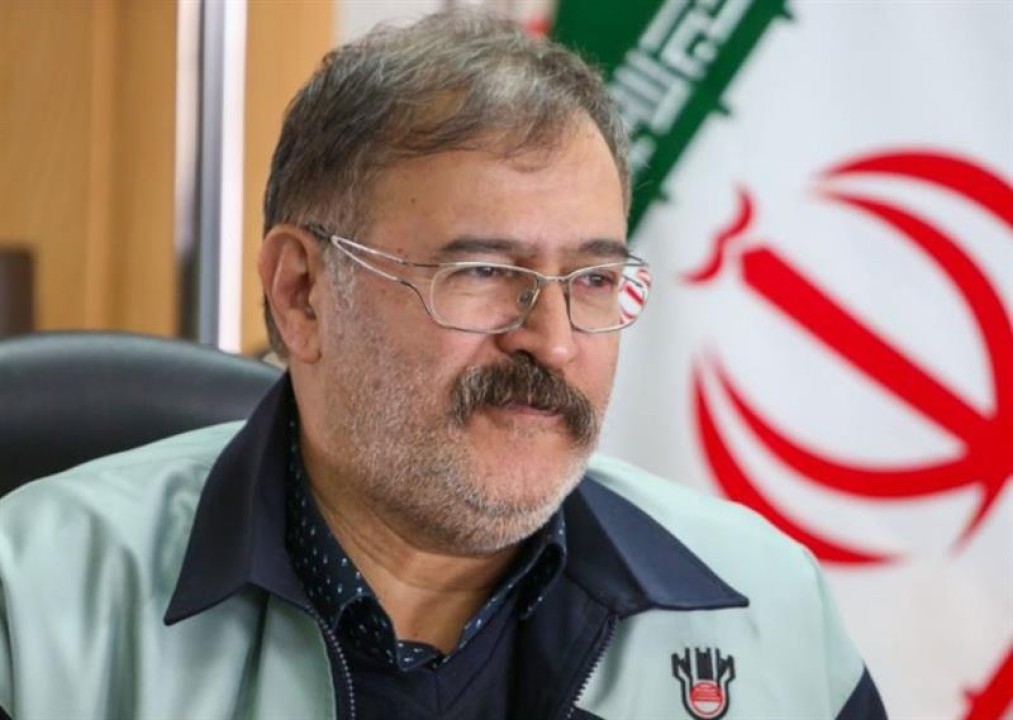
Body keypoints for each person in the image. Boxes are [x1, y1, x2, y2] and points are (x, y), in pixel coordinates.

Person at [0, 11, 886, 720]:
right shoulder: (30, 602)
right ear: (302, 293)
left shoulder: (762, 607)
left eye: (592, 279)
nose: (553, 340)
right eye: (484, 272)